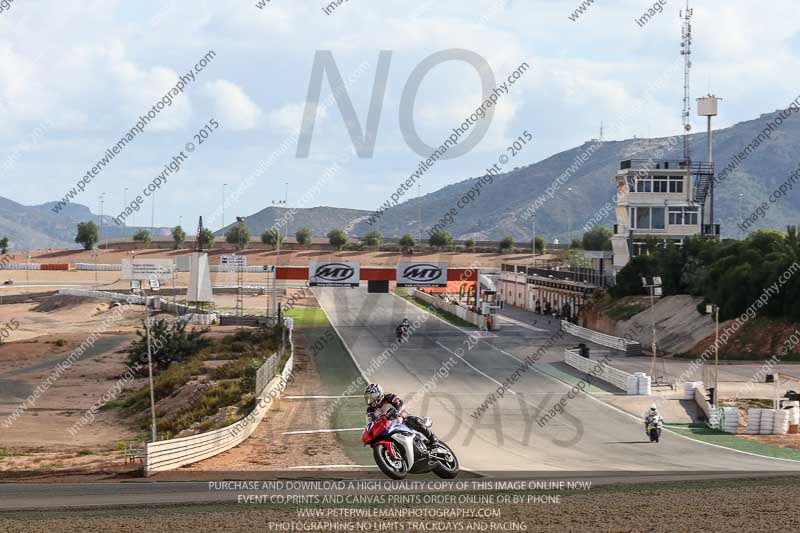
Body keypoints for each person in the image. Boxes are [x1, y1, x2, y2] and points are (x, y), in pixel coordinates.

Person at [364, 384, 438, 450]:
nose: (370, 400)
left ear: (379, 393)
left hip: (401, 419)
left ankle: (433, 438)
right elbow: (370, 422)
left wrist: (397, 411)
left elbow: (401, 404)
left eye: (372, 397)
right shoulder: (370, 410)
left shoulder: (389, 397)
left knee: (409, 420)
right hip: (387, 426)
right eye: (368, 398)